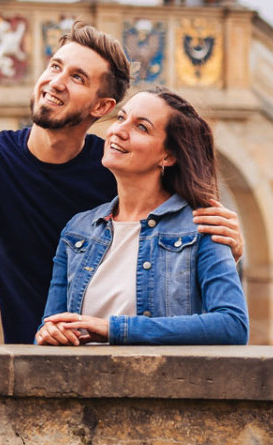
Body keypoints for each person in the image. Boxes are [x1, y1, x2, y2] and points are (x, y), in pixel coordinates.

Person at [0, 22, 243, 347]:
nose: (56, 82)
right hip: (38, 352)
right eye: (55, 67)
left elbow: (179, 232)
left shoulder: (117, 165)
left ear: (100, 106)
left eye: (77, 78)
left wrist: (227, 247)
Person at [35, 88, 249, 346]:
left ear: (167, 156)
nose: (119, 131)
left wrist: (116, 329)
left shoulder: (202, 227)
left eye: (141, 127)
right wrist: (48, 334)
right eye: (121, 117)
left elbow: (233, 325)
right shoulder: (78, 230)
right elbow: (50, 326)